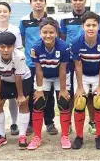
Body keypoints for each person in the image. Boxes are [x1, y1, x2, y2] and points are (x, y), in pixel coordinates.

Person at [29, 18, 72, 149]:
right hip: (44, 76)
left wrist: (63, 90)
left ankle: (65, 136)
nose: (48, 35)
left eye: (51, 32)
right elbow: (38, 69)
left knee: (64, 103)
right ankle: (36, 137)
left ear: (57, 32)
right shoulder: (35, 47)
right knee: (38, 102)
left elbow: (63, 69)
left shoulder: (64, 46)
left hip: (60, 76)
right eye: (44, 32)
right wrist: (40, 89)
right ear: (39, 33)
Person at [0, 32, 33, 150]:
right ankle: (1, 135)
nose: (6, 50)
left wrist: (21, 95)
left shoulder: (20, 56)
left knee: (23, 102)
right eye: (2, 47)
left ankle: (22, 136)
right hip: (3, 80)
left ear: (14, 46)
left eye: (9, 46)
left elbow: (18, 77)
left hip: (22, 79)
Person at [70, 12, 100, 149]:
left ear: (98, 26)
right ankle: (79, 136)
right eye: (88, 25)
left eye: (94, 25)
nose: (91, 28)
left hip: (99, 76)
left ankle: (98, 136)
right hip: (83, 76)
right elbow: (78, 65)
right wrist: (80, 87)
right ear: (82, 26)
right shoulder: (76, 42)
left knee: (99, 102)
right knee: (79, 103)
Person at [59, 0, 96, 135]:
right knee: (72, 94)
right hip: (71, 62)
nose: (78, 2)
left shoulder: (93, 18)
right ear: (71, 2)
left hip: (90, 62)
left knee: (91, 94)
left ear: (85, 1)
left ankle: (92, 122)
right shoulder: (65, 20)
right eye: (75, 0)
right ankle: (68, 123)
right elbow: (62, 39)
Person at [20, 0, 56, 135]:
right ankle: (29, 123)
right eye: (35, 0)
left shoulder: (52, 21)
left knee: (48, 94)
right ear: (30, 3)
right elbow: (23, 40)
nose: (38, 2)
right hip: (30, 64)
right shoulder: (24, 21)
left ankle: (49, 122)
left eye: (41, 0)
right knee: (30, 94)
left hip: (48, 62)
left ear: (45, 3)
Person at [0, 1, 23, 137]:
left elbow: (18, 49)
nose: (2, 14)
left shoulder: (15, 29)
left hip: (11, 67)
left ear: (9, 13)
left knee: (13, 98)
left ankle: (14, 123)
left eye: (5, 11)